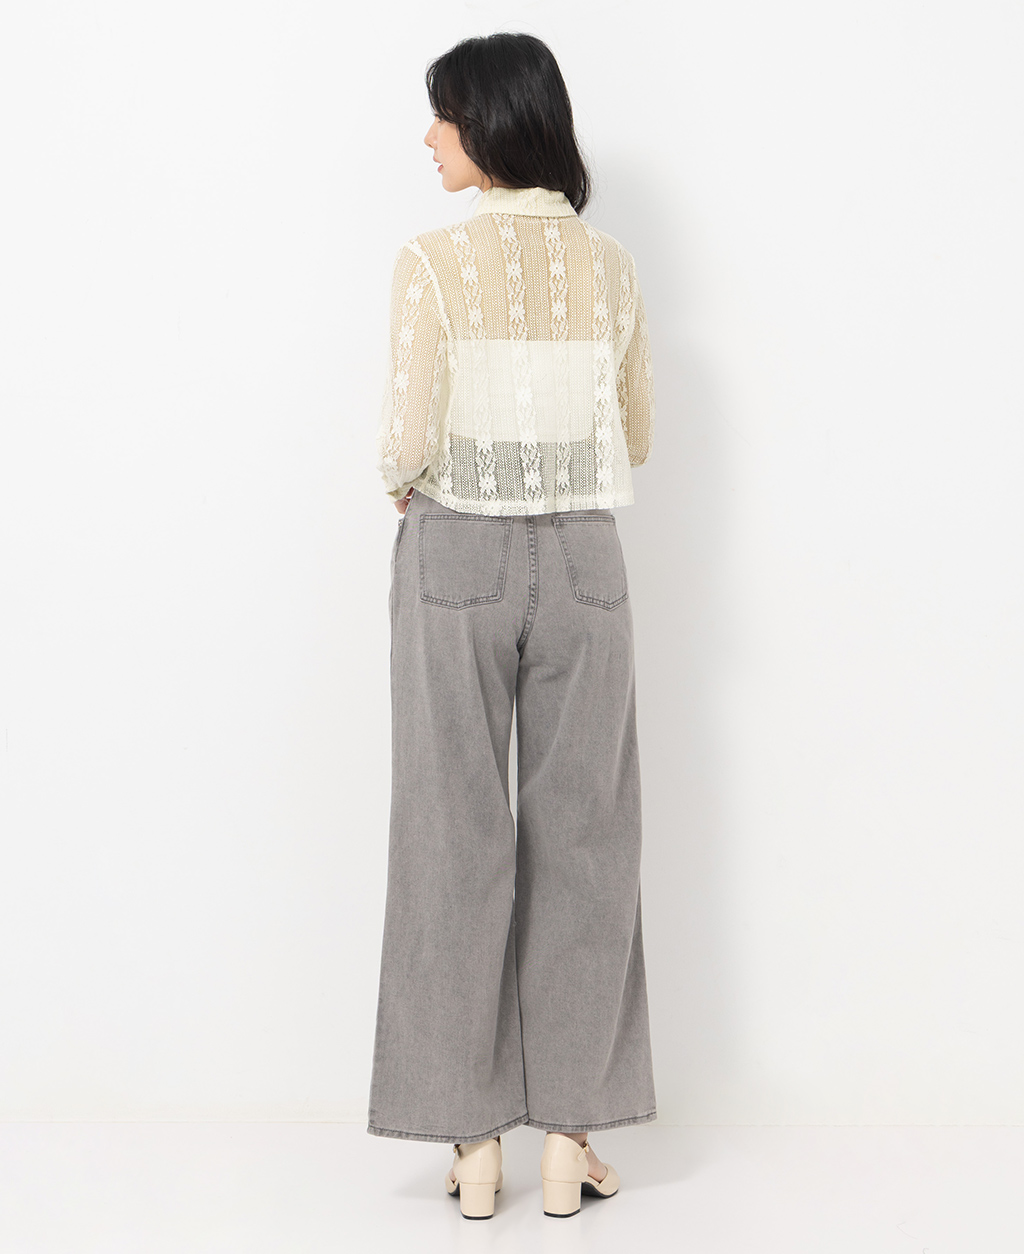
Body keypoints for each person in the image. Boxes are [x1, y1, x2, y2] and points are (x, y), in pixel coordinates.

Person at [367, 32, 657, 1220]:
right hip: (585, 556)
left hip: (457, 554)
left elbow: (403, 439)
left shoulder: (431, 263)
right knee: (587, 838)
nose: (428, 135)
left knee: (450, 835)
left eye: (442, 115)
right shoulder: (611, 266)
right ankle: (568, 1145)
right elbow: (637, 434)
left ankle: (474, 1146)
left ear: (488, 123)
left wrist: (404, 480)